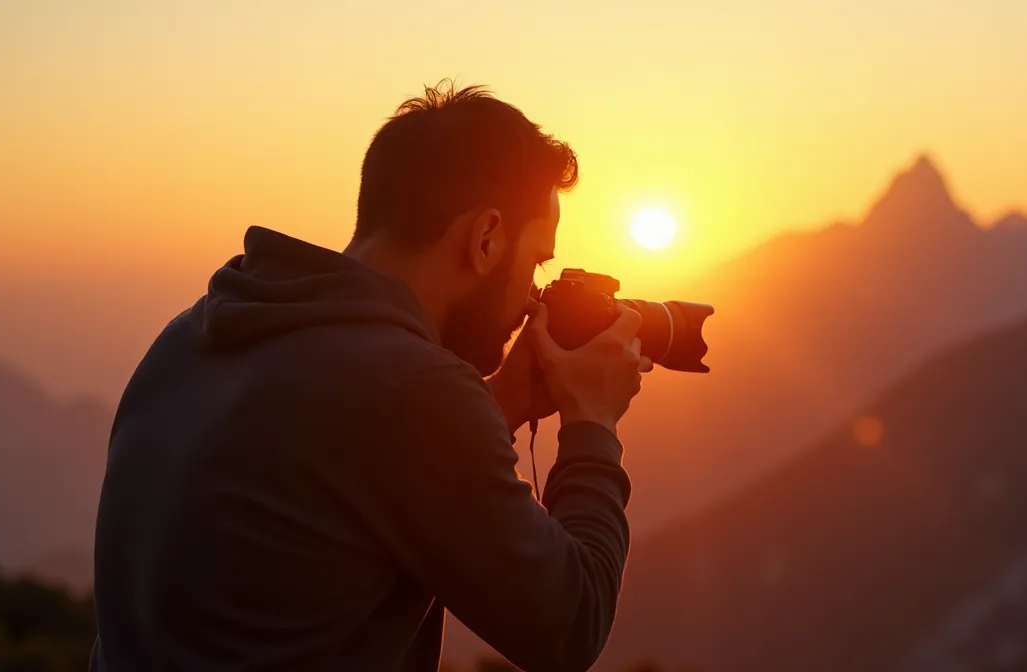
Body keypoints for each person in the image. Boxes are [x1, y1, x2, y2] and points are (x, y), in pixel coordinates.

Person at [90, 81, 652, 672]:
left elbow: (339, 460)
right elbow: (570, 626)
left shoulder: (194, 334)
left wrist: (502, 402)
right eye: (535, 261)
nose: (532, 297)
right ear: (485, 239)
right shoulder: (413, 391)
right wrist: (593, 422)